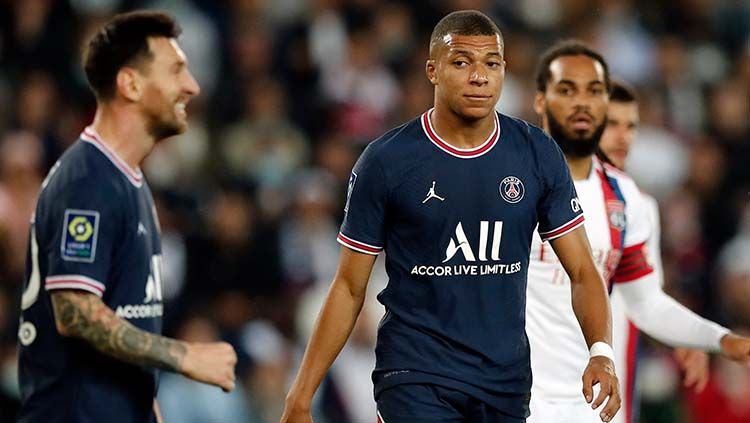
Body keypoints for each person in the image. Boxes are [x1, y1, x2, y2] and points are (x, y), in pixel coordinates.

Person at [282, 11, 620, 423]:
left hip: (505, 383)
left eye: (491, 64)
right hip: (414, 376)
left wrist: (600, 352)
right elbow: (350, 287)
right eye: (462, 62)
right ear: (433, 71)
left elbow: (584, 270)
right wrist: (300, 396)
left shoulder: (536, 154)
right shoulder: (387, 161)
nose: (479, 76)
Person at [16, 11, 237, 423]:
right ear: (130, 83)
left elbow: (124, 309)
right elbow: (75, 309)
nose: (192, 86)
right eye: (176, 71)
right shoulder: (88, 180)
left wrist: (144, 401)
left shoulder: (126, 180)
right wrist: (183, 355)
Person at [525, 40, 750, 423]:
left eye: (594, 91)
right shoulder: (508, 185)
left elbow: (646, 302)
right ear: (541, 101)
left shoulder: (626, 200)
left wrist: (720, 339)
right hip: (511, 400)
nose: (582, 102)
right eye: (567, 90)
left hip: (587, 406)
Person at [598, 79, 712, 405]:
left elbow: (649, 298)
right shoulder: (542, 196)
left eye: (630, 126)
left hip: (614, 373)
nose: (622, 137)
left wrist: (684, 335)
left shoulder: (641, 206)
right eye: (611, 124)